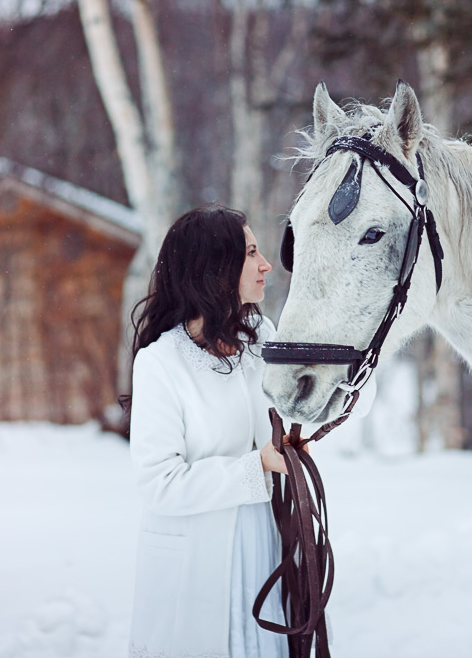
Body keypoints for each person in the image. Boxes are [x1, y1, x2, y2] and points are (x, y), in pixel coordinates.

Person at [125, 205, 290, 658]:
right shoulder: (160, 362)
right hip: (196, 558)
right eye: (251, 253)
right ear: (215, 268)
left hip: (265, 545)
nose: (265, 265)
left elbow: (295, 407)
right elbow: (159, 483)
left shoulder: (261, 337)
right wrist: (254, 466)